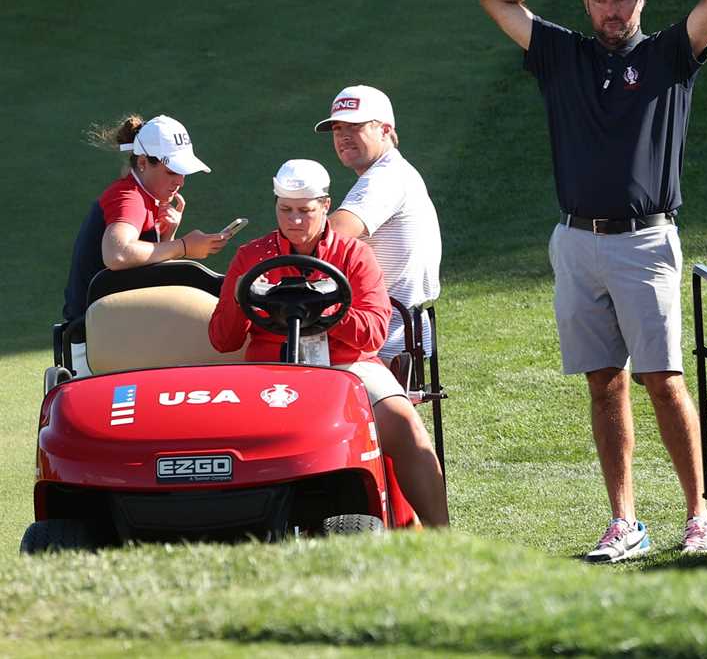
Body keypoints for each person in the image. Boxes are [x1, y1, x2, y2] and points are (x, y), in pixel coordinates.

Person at [475, 0, 707, 561]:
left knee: (663, 381)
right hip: (574, 242)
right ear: (587, 5)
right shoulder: (559, 53)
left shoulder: (667, 54)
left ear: (640, 1)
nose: (612, 9)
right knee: (603, 384)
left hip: (645, 241)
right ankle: (625, 521)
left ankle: (698, 516)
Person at [208, 159, 448, 526]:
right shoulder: (251, 257)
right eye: (285, 210)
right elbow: (222, 340)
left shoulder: (354, 255)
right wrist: (241, 299)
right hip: (271, 367)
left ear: (325, 206)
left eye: (305, 211)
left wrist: (324, 310)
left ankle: (441, 536)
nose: (294, 220)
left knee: (406, 425)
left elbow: (373, 333)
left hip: (349, 364)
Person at [63, 114, 228, 374]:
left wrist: (167, 237)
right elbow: (117, 254)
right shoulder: (128, 197)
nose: (180, 181)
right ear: (142, 163)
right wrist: (184, 247)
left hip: (113, 335)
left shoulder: (143, 196)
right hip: (97, 345)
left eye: (183, 173)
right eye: (172, 171)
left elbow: (144, 278)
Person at [314, 84, 442, 363]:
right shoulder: (390, 174)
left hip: (382, 339)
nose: (343, 137)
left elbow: (326, 236)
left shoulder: (385, 178)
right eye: (338, 129)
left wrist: (268, 253)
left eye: (355, 127)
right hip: (392, 329)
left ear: (385, 130)